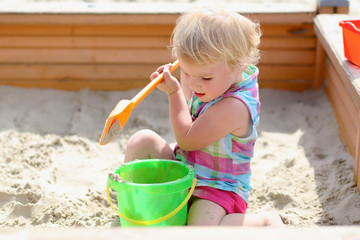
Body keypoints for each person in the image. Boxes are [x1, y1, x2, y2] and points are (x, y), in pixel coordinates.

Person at [124, 4, 284, 227]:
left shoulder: (235, 106)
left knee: (200, 228)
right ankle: (133, 201)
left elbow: (187, 139)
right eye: (187, 72)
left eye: (205, 78)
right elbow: (192, 98)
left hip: (217, 189)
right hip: (185, 170)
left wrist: (174, 91)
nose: (194, 83)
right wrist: (182, 75)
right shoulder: (211, 80)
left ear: (238, 65)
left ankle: (264, 222)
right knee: (142, 140)